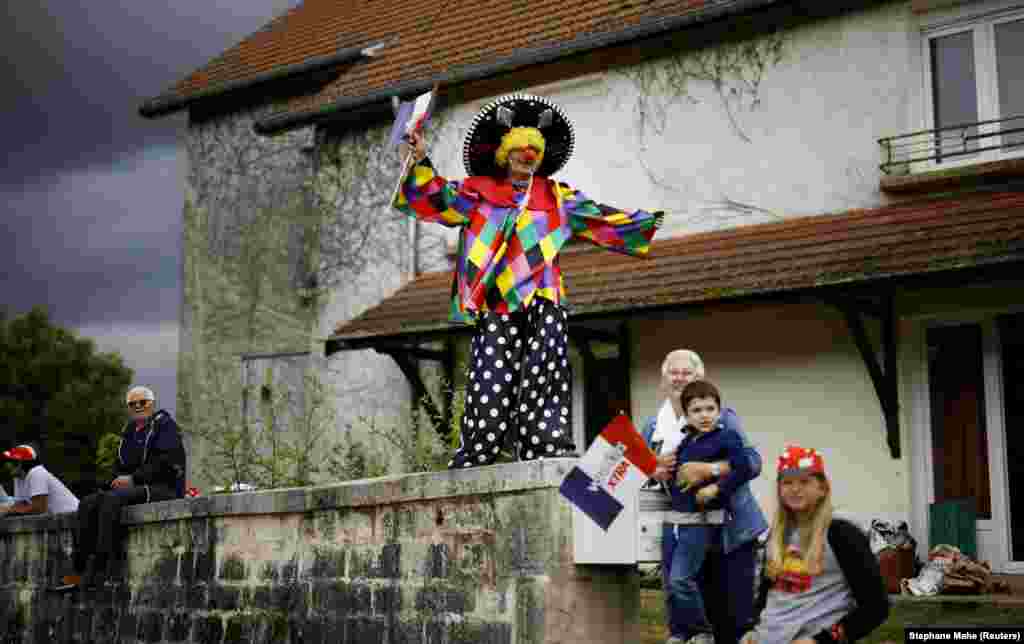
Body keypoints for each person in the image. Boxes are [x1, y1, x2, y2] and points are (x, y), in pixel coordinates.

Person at [396, 92, 665, 469]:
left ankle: (546, 444)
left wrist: (645, 224)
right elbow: (437, 197)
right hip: (497, 297)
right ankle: (478, 452)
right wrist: (420, 158)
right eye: (520, 147)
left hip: (545, 295)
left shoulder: (558, 197)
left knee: (548, 370)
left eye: (534, 148)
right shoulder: (479, 194)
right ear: (505, 153)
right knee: (490, 377)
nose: (528, 154)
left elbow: (601, 219)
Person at [641, 349, 767, 644]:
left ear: (701, 379)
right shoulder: (650, 427)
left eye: (688, 372)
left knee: (732, 620)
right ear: (663, 380)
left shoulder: (722, 418)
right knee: (688, 619)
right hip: (684, 530)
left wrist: (708, 470)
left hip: (730, 531)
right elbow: (643, 474)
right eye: (674, 371)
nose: (680, 377)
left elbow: (752, 462)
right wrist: (655, 471)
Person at [743, 445, 889, 644]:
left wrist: (821, 640)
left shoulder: (841, 533)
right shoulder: (775, 535)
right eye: (787, 482)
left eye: (804, 481)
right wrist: (752, 630)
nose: (795, 489)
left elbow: (876, 607)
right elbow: (765, 594)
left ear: (822, 488)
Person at [55, 386, 186, 590]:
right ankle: (79, 570)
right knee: (89, 503)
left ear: (152, 404)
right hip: (135, 486)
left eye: (142, 402)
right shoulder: (129, 432)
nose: (137, 407)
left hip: (163, 487)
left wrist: (133, 478)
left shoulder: (165, 427)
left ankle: (102, 568)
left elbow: (165, 463)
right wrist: (113, 481)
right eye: (132, 404)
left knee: (111, 500)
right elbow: (120, 467)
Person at [662, 380, 757, 644]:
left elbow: (744, 468)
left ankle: (702, 632)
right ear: (687, 415)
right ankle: (688, 631)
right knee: (675, 582)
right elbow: (674, 478)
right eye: (696, 410)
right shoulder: (685, 441)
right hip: (678, 521)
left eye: (710, 408)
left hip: (703, 521)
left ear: (719, 410)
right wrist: (662, 470)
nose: (704, 415)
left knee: (681, 579)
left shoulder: (727, 437)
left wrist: (716, 488)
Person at [0, 443, 80, 516]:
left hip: (73, 517)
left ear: (21, 463)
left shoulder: (37, 472)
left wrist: (8, 510)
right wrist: (8, 509)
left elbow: (39, 508)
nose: (7, 465)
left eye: (11, 461)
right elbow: (20, 505)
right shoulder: (18, 478)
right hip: (57, 522)